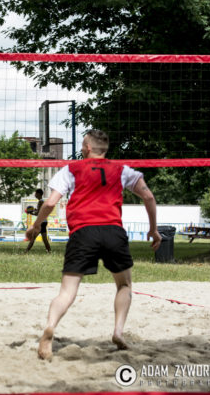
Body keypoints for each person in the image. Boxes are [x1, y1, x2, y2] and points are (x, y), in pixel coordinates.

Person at [26, 129, 161, 360]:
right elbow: (148, 197)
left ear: (87, 148)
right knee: (124, 285)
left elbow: (49, 203)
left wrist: (36, 226)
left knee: (67, 292)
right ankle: (118, 331)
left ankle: (50, 327)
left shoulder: (71, 169)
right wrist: (153, 229)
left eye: (82, 144)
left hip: (83, 232)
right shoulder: (122, 170)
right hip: (113, 231)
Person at [30, 189, 51, 253]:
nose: (35, 195)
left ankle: (26, 251)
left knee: (33, 238)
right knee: (44, 239)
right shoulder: (43, 201)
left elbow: (38, 213)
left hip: (41, 222)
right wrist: (34, 210)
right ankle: (49, 251)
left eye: (36, 193)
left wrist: (31, 213)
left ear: (39, 194)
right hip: (44, 221)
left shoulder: (40, 202)